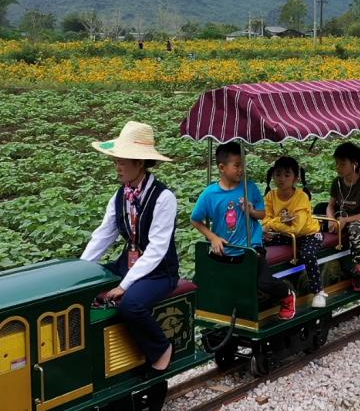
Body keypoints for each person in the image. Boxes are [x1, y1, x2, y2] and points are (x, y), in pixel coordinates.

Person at [82, 121, 179, 370]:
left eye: (122, 160)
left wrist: (124, 286)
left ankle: (161, 347)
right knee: (91, 283)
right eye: (116, 160)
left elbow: (157, 249)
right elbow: (104, 235)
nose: (117, 166)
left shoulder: (163, 198)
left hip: (159, 272)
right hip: (129, 264)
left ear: (140, 162)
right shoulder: (120, 195)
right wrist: (80, 270)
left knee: (131, 305)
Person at [192, 143, 296, 320]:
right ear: (222, 168)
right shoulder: (210, 194)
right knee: (204, 278)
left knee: (263, 281)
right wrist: (213, 237)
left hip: (251, 247)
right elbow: (195, 219)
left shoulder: (250, 187)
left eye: (243, 164)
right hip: (225, 248)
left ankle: (287, 294)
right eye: (237, 165)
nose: (241, 169)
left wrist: (252, 211)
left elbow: (262, 214)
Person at [262, 156, 325, 308]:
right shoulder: (271, 195)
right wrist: (269, 228)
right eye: (278, 174)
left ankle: (318, 291)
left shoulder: (301, 197)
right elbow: (265, 220)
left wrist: (274, 223)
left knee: (307, 255)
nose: (281, 179)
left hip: (308, 234)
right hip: (286, 236)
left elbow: (297, 227)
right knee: (258, 244)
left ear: (296, 178)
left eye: (287, 174)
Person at [325, 143, 360, 291]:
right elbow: (330, 205)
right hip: (341, 217)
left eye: (343, 164)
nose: (338, 167)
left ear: (354, 164)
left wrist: (345, 220)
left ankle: (358, 271)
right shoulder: (337, 182)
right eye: (337, 163)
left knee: (355, 228)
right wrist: (331, 220)